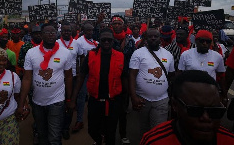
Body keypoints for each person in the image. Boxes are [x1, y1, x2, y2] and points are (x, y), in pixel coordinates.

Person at [140, 70, 234, 145]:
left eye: (215, 111)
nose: (206, 118)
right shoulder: (154, 141)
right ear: (175, 105)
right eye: (195, 110)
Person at [17, 23, 73, 145]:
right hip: (37, 102)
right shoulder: (31, 53)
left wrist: (69, 100)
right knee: (42, 135)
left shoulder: (65, 53)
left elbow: (68, 77)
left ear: (56, 34)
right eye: (47, 32)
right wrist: (21, 104)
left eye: (53, 32)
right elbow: (27, 78)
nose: (51, 35)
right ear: (41, 35)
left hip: (57, 102)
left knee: (54, 137)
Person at [69, 28, 125, 145]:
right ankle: (99, 141)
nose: (106, 42)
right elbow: (81, 77)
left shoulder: (120, 56)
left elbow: (125, 79)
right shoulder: (91, 55)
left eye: (109, 40)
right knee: (92, 130)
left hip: (113, 102)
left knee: (111, 133)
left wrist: (127, 100)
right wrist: (73, 99)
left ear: (113, 40)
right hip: (95, 100)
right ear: (99, 40)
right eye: (103, 39)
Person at [129, 28, 175, 135]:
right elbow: (132, 75)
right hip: (142, 99)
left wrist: (173, 95)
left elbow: (172, 75)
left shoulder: (168, 55)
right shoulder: (138, 53)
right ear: (145, 39)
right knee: (144, 129)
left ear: (160, 38)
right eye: (150, 36)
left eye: (156, 36)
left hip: (162, 99)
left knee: (158, 130)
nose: (153, 38)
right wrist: (133, 97)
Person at [178, 30, 228, 106]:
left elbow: (222, 77)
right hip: (190, 94)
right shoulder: (186, 55)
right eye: (202, 41)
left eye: (208, 41)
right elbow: (179, 75)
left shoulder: (217, 57)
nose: (205, 43)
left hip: (209, 95)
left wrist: (224, 95)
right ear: (196, 41)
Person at [111, 15, 135, 145]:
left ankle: (123, 134)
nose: (116, 26)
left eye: (119, 23)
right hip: (110, 78)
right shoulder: (107, 39)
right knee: (108, 109)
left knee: (122, 109)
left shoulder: (130, 41)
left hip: (124, 79)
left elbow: (133, 60)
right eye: (114, 24)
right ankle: (107, 134)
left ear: (123, 25)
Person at [57, 21, 81, 140]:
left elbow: (81, 56)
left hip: (73, 77)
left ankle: (66, 127)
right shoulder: (56, 43)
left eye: (68, 30)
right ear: (61, 32)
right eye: (64, 30)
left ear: (72, 31)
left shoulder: (76, 44)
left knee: (70, 103)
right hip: (59, 77)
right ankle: (58, 127)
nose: (66, 32)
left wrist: (79, 71)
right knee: (59, 103)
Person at [73, 22, 98, 133]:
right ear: (83, 30)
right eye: (88, 30)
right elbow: (78, 57)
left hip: (95, 73)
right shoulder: (79, 42)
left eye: (92, 30)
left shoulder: (95, 41)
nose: (90, 32)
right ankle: (79, 120)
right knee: (81, 96)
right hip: (84, 74)